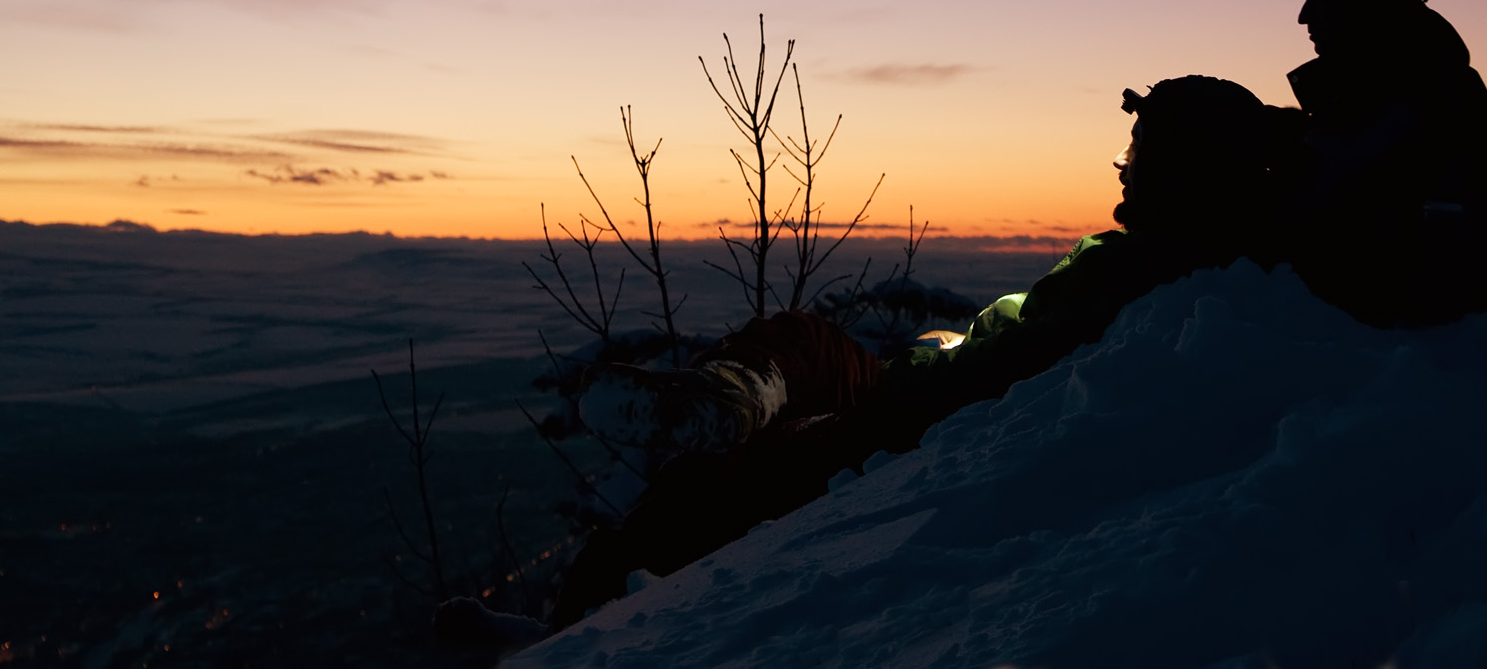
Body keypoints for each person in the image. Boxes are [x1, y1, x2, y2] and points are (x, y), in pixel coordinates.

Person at [537, 74, 1278, 630]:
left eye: (1136, 149)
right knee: (804, 340)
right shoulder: (1155, 259)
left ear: (1177, 166)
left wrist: (910, 379)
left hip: (906, 415)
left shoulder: (1137, 271)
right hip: (921, 384)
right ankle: (719, 401)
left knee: (720, 477)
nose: (1121, 163)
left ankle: (573, 622)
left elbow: (999, 375)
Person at [1266, 0, 1487, 327]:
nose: (1304, 16)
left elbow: (1308, 208)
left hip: (1414, 344)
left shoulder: (1414, 92)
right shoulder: (1389, 84)